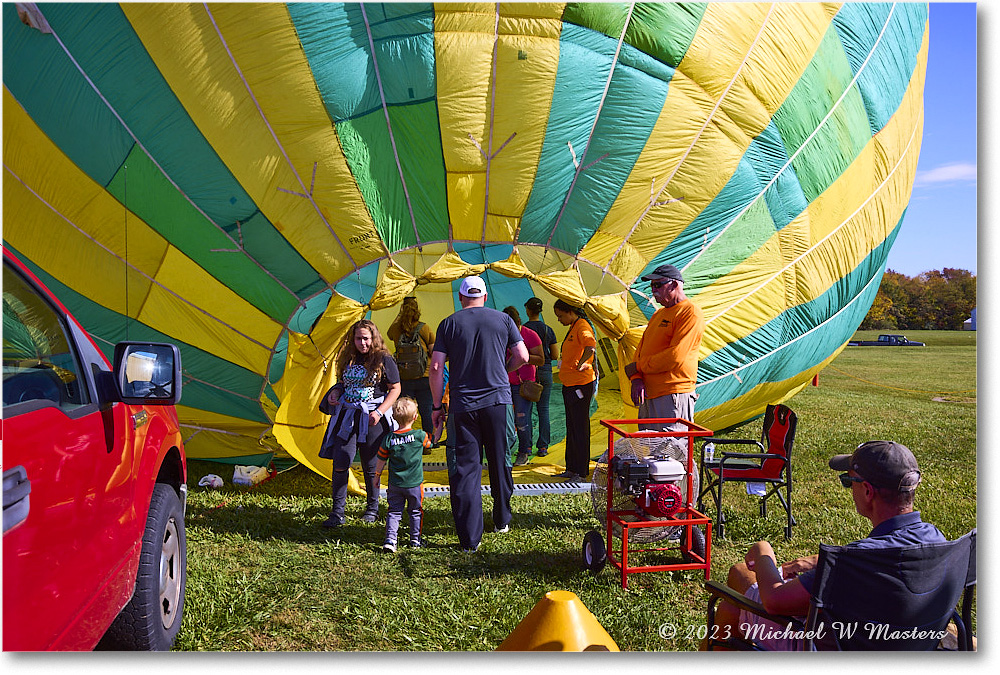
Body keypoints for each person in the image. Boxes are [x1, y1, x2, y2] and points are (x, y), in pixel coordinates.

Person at [710, 440, 944, 650]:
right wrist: (819, 561)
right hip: (901, 643)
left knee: (736, 585)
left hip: (826, 647)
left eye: (848, 481)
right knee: (738, 607)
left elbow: (775, 601)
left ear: (867, 491)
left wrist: (763, 553)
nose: (850, 489)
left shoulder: (853, 562)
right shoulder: (937, 540)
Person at [429, 276, 529, 552]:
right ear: (485, 297)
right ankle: (502, 519)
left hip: (463, 406)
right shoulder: (504, 320)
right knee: (500, 460)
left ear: (461, 298)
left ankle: (470, 539)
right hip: (498, 401)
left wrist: (437, 407)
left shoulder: (449, 323)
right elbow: (523, 356)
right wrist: (503, 369)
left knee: (466, 470)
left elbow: (437, 368)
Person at [318, 319, 401, 527]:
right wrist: (335, 392)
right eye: (358, 338)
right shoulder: (348, 358)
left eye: (366, 338)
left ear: (373, 338)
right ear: (352, 339)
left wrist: (380, 412)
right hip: (348, 416)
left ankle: (372, 509)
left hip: (373, 418)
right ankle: (337, 513)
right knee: (341, 459)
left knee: (371, 464)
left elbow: (395, 388)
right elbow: (341, 383)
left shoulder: (383, 359)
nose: (362, 343)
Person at [624, 263, 704, 430]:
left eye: (658, 285)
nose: (653, 290)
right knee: (649, 452)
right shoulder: (658, 314)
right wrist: (636, 378)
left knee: (671, 451)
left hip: (672, 395)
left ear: (674, 284)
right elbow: (641, 350)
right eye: (651, 285)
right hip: (649, 395)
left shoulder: (690, 312)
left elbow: (675, 357)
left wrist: (638, 367)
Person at [374, 397, 431, 553]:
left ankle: (390, 540)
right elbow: (429, 445)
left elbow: (380, 459)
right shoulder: (420, 435)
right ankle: (415, 539)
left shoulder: (389, 439)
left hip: (395, 484)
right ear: (415, 417)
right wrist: (437, 431)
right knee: (415, 511)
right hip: (414, 484)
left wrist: (377, 475)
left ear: (393, 416)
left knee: (394, 511)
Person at [552, 299, 597, 482]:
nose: (559, 320)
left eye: (561, 316)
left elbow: (591, 345)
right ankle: (571, 468)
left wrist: (581, 363)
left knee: (579, 428)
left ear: (570, 312)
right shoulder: (574, 326)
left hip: (580, 385)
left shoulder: (582, 326)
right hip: (570, 385)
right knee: (571, 427)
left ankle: (581, 471)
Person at [387, 296, 436, 449]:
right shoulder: (424, 328)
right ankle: (428, 444)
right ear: (417, 312)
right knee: (426, 411)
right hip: (424, 376)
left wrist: (400, 315)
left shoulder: (396, 330)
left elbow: (389, 334)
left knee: (403, 412)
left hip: (404, 377)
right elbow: (433, 350)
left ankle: (402, 443)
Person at [502, 306, 544, 467]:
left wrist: (520, 355)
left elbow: (540, 360)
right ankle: (507, 449)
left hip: (524, 385)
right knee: (504, 419)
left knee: (521, 419)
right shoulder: (502, 335)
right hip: (505, 384)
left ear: (518, 322)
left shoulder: (530, 335)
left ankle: (524, 451)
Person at [523, 297, 559, 459]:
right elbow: (555, 355)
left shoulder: (523, 329)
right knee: (543, 410)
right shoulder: (548, 329)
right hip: (545, 372)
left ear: (528, 310)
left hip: (529, 373)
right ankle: (543, 446)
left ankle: (527, 446)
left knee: (527, 410)